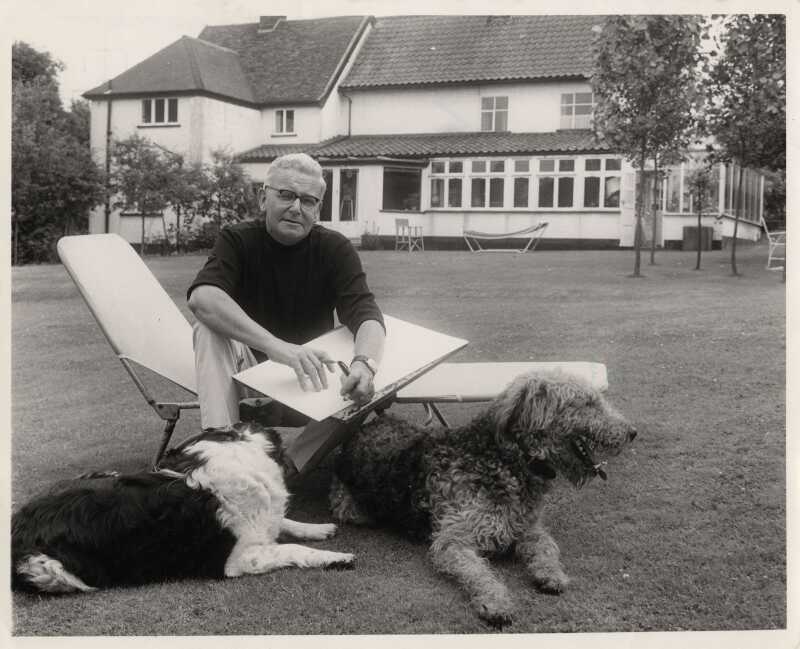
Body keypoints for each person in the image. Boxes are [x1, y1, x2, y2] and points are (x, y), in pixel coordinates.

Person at [187, 153, 385, 476]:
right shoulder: (237, 239)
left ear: (318, 209)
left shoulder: (335, 248)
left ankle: (289, 468)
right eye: (286, 195)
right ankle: (223, 461)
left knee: (371, 374)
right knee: (207, 330)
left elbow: (367, 314)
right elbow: (203, 298)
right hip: (248, 378)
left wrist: (364, 364)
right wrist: (276, 347)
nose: (296, 208)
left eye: (308, 200)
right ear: (263, 197)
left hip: (311, 378)